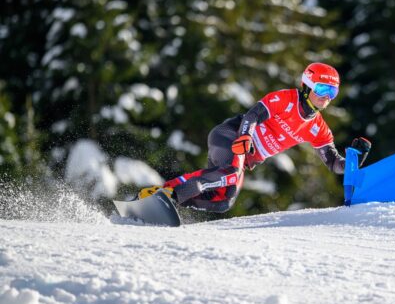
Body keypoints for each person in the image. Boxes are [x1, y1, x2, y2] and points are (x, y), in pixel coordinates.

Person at [138, 63, 372, 213]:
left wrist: (354, 161)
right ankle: (169, 196)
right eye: (322, 90)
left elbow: (333, 163)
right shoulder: (286, 99)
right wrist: (245, 137)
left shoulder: (319, 129)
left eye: (332, 93)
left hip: (244, 156)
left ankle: (160, 198)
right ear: (307, 86)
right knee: (230, 174)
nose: (326, 98)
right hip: (231, 135)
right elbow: (254, 114)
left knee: (222, 203)